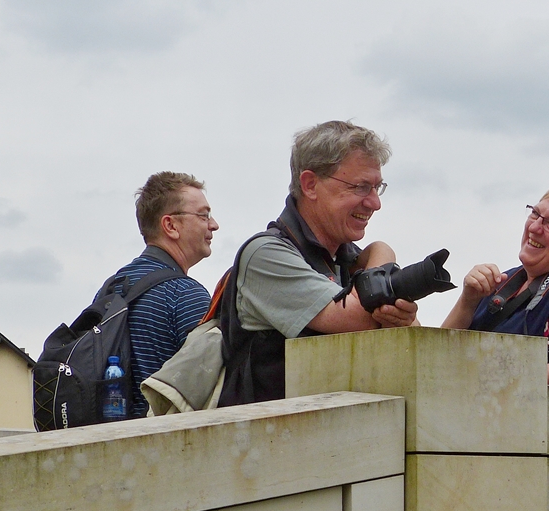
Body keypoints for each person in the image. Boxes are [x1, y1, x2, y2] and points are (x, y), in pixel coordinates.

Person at [219, 120, 418, 405]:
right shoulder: (266, 255)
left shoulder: (344, 259)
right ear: (310, 185)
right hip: (264, 441)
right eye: (361, 187)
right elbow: (356, 317)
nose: (375, 203)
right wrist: (382, 253)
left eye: (377, 188)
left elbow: (412, 339)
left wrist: (398, 316)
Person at [442, 184, 549, 387]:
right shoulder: (505, 281)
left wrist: (498, 378)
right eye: (535, 213)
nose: (533, 227)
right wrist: (468, 301)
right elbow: (440, 353)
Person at [101, 171, 218, 417]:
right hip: (162, 443)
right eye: (204, 215)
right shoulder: (185, 295)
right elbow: (211, 388)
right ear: (171, 226)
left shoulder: (112, 287)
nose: (213, 225)